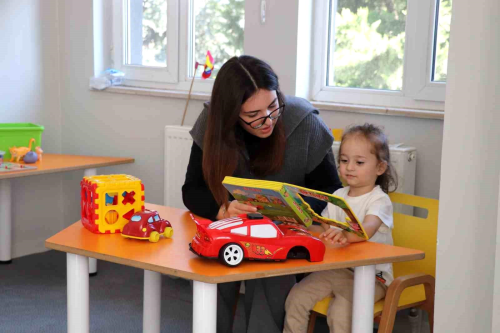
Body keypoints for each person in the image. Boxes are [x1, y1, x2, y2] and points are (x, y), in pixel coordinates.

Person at [182, 55, 342, 333]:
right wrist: (223, 209)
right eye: (253, 115)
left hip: (287, 232)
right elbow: (192, 189)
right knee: (212, 262)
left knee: (272, 269)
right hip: (234, 227)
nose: (267, 120)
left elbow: (330, 191)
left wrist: (293, 210)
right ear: (231, 115)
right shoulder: (212, 122)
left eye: (272, 106)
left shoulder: (304, 122)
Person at [283, 123, 398, 333]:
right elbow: (325, 230)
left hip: (372, 277)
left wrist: (343, 234)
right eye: (344, 161)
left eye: (359, 162)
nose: (349, 167)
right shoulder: (337, 196)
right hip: (337, 270)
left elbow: (366, 231)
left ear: (380, 168)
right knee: (296, 297)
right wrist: (303, 221)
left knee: (341, 312)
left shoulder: (380, 200)